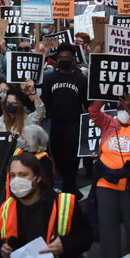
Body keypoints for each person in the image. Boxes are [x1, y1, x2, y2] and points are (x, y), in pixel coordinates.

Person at [0, 152, 93, 258]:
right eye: (13, 175)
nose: (17, 180)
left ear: (37, 178)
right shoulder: (5, 209)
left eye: (23, 175)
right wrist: (1, 249)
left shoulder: (64, 203)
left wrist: (65, 245)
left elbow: (86, 236)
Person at [89, 94, 130, 258]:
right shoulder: (109, 123)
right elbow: (93, 111)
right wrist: (103, 92)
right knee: (108, 231)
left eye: (127, 109)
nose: (123, 111)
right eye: (120, 108)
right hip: (105, 184)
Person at [41, 43, 89, 197]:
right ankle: (69, 187)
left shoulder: (80, 79)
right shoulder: (50, 78)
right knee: (58, 157)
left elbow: (87, 103)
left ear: (72, 59)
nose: (63, 60)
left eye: (66, 57)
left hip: (74, 124)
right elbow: (45, 101)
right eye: (61, 58)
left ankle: (69, 187)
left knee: (73, 158)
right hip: (56, 124)